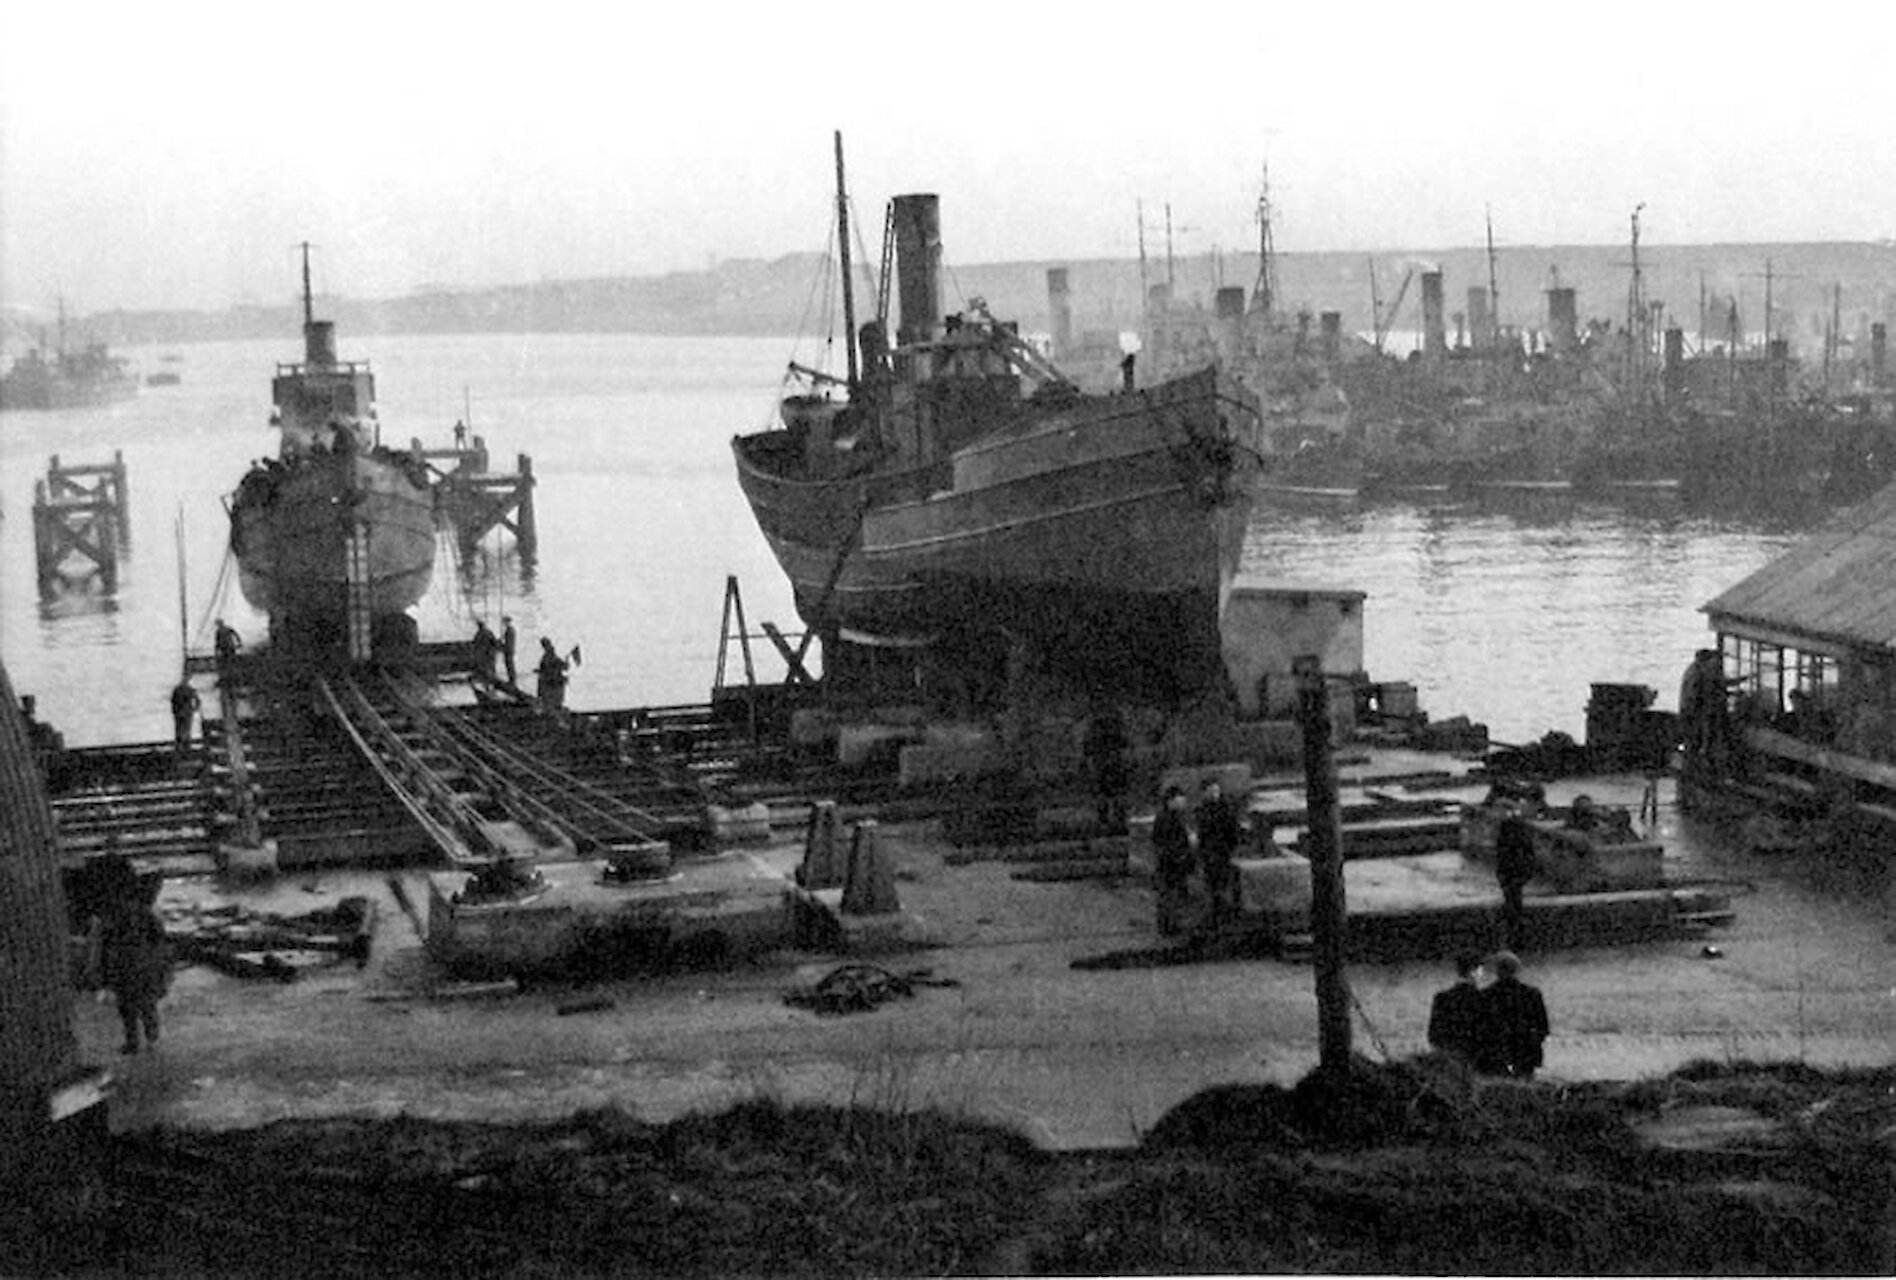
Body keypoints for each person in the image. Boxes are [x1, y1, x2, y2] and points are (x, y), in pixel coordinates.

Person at [95, 855, 169, 1055]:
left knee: (129, 1007)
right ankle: (150, 1036)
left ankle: (134, 1041)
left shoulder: (112, 916)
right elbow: (159, 939)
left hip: (125, 964)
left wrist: (104, 976)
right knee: (145, 1005)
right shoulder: (143, 913)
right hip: (141, 963)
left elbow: (105, 945)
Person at [1473, 950, 1549, 1079]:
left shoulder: (1485, 996)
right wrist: (1532, 1042)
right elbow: (1543, 1026)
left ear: (1496, 970)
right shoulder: (1531, 994)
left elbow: (1481, 1028)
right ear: (1517, 970)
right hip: (1526, 1053)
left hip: (1496, 1055)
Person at [1194, 778, 1243, 931]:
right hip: (1209, 853)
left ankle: (1222, 915)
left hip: (1222, 853)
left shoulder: (1225, 810)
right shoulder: (1202, 811)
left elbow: (1233, 832)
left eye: (1216, 791)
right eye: (1211, 791)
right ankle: (1217, 915)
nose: (1215, 794)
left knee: (1222, 885)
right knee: (1213, 885)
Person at [1427, 952, 1487, 1063]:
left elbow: (1433, 1035)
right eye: (1480, 970)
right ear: (1473, 972)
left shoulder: (1442, 998)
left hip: (1450, 1059)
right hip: (1477, 1058)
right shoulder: (1483, 998)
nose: (1482, 974)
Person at [1151, 785, 1194, 936]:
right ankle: (1169, 926)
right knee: (1170, 895)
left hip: (1173, 863)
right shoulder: (1166, 819)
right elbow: (1163, 841)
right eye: (1180, 799)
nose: (1183, 802)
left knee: (1171, 896)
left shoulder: (1174, 817)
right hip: (1170, 864)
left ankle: (1171, 924)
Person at [1081, 705, 1130, 833]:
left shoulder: (1101, 729)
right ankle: (1109, 821)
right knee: (1108, 795)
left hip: (1109, 765)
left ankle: (1112, 821)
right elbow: (1088, 750)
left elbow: (1124, 745)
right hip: (1107, 765)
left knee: (1112, 795)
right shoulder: (1103, 730)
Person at [1495, 811, 1536, 950]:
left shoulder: (1505, 838)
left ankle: (1513, 932)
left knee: (1512, 900)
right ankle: (1518, 933)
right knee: (1515, 900)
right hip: (1517, 874)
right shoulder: (1523, 837)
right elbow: (1530, 856)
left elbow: (1500, 857)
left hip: (1510, 874)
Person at [535, 636, 571, 712]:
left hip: (552, 682)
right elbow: (562, 666)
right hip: (551, 681)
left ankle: (550, 707)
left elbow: (561, 666)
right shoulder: (549, 656)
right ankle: (550, 706)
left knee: (550, 698)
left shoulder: (550, 656)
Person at [169, 679, 201, 757]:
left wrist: (174, 711)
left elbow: (172, 702)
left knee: (180, 730)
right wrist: (195, 709)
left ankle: (181, 748)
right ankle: (186, 747)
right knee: (186, 730)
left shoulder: (177, 690)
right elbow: (198, 701)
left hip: (181, 713)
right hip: (186, 713)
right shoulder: (190, 689)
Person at [470, 619, 499, 683]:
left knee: (485, 665)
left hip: (484, 653)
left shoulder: (479, 633)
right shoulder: (488, 632)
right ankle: (491, 677)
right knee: (489, 666)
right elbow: (494, 642)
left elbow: (475, 643)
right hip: (488, 652)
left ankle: (488, 678)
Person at [500, 616, 518, 686]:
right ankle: (511, 680)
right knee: (509, 665)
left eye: (504, 622)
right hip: (509, 650)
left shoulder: (510, 630)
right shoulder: (509, 630)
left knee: (510, 665)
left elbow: (508, 642)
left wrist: (502, 646)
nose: (504, 624)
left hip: (508, 650)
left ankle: (512, 680)